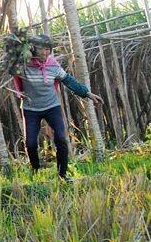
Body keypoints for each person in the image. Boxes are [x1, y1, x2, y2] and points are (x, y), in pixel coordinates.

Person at [12, 34, 103, 183]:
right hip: (31, 109)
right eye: (41, 49)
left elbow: (68, 80)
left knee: (61, 138)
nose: (45, 53)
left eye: (48, 49)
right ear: (34, 49)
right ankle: (35, 170)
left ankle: (62, 175)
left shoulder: (53, 65)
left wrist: (87, 93)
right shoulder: (23, 65)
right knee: (31, 143)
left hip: (51, 107)